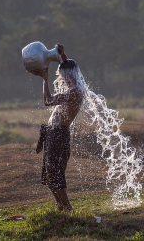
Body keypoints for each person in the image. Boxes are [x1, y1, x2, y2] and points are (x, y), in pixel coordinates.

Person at [33, 44, 84, 212]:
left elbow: (47, 101)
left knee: (55, 174)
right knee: (49, 174)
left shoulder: (75, 92)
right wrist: (61, 55)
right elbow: (68, 64)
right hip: (53, 134)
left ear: (71, 75)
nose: (63, 79)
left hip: (59, 135)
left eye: (65, 76)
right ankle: (61, 208)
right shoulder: (73, 87)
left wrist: (45, 80)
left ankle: (67, 208)